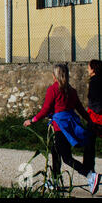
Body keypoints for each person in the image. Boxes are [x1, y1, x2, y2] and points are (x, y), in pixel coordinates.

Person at [23, 64, 100, 195]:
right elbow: (81, 109)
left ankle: (89, 175)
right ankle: (55, 181)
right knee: (55, 152)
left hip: (59, 127)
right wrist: (90, 121)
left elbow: (45, 110)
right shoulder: (72, 91)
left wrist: (32, 120)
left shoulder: (53, 90)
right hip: (71, 125)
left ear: (55, 76)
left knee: (66, 157)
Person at [82, 60, 102, 178]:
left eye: (89, 67)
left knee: (89, 145)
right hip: (97, 116)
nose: (87, 69)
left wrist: (96, 110)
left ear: (93, 69)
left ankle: (89, 171)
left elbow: (95, 101)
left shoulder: (94, 82)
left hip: (95, 117)